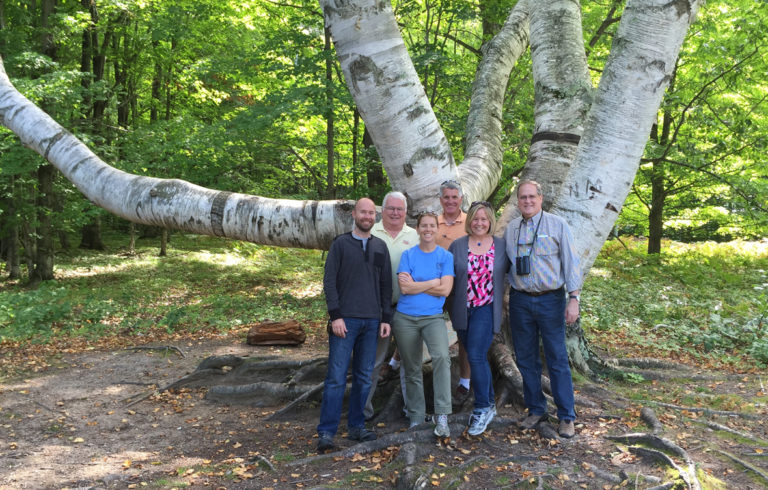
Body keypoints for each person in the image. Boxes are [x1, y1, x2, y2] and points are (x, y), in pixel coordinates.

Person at [504, 180, 582, 439]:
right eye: (522, 197)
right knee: (526, 359)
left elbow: (571, 264)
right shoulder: (512, 229)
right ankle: (536, 409)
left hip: (551, 300)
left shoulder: (557, 225)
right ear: (518, 201)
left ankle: (566, 416)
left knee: (557, 359)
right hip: (520, 301)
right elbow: (504, 266)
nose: (527, 201)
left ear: (541, 198)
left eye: (531, 197)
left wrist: (574, 298)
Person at [317, 198, 393, 452]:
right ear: (354, 214)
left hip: (372, 322)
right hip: (345, 321)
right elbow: (329, 282)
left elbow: (385, 286)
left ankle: (357, 427)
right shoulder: (340, 244)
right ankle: (326, 432)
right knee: (336, 377)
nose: (367, 216)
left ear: (376, 217)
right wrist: (335, 316)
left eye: (372, 213)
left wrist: (385, 318)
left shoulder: (380, 247)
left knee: (363, 376)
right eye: (363, 212)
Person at [447, 201, 509, 435]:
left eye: (484, 219)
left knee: (475, 354)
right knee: (470, 351)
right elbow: (447, 276)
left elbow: (516, 271)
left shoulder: (501, 246)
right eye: (475, 219)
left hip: (487, 308)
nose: (480, 223)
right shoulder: (458, 245)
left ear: (490, 221)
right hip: (462, 309)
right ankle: (484, 402)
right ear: (469, 221)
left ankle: (484, 406)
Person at [393, 212, 454, 437]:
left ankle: (442, 415)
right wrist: (432, 282)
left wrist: (417, 283)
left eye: (432, 226)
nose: (428, 229)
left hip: (433, 317)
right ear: (417, 229)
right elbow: (405, 289)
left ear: (437, 230)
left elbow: (446, 290)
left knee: (441, 357)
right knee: (411, 367)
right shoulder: (408, 255)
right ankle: (416, 418)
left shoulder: (445, 257)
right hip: (405, 318)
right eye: (423, 226)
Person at [364, 191, 419, 420]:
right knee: (373, 361)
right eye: (391, 208)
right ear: (382, 210)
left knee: (410, 362)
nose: (395, 213)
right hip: (375, 309)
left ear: (406, 212)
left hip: (407, 306)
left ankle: (413, 412)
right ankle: (363, 411)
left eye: (400, 209)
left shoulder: (415, 236)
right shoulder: (370, 232)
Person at [436, 180, 472, 408]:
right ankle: (395, 362)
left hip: (462, 287)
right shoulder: (432, 222)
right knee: (416, 320)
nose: (450, 201)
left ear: (461, 199)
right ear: (441, 200)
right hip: (433, 285)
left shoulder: (470, 221)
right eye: (446, 197)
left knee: (464, 333)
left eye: (454, 197)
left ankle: (465, 381)